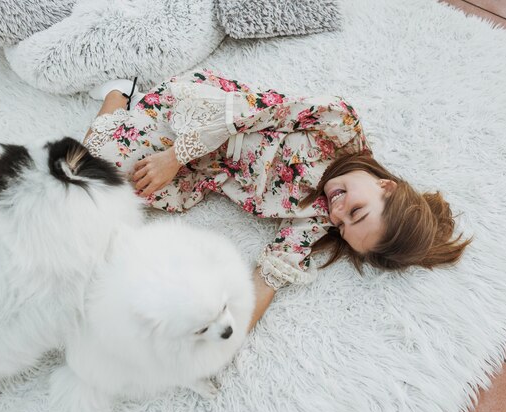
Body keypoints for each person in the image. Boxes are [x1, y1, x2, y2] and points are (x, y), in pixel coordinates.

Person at [82, 68, 473, 331]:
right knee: (88, 167)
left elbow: (270, 275)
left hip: (205, 173)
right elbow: (254, 111)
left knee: (107, 187)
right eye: (355, 210)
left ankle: (125, 113)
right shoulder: (338, 122)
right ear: (385, 186)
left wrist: (223, 337)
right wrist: (175, 157)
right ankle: (118, 92)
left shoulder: (321, 216)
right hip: (212, 116)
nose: (338, 212)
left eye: (342, 226)